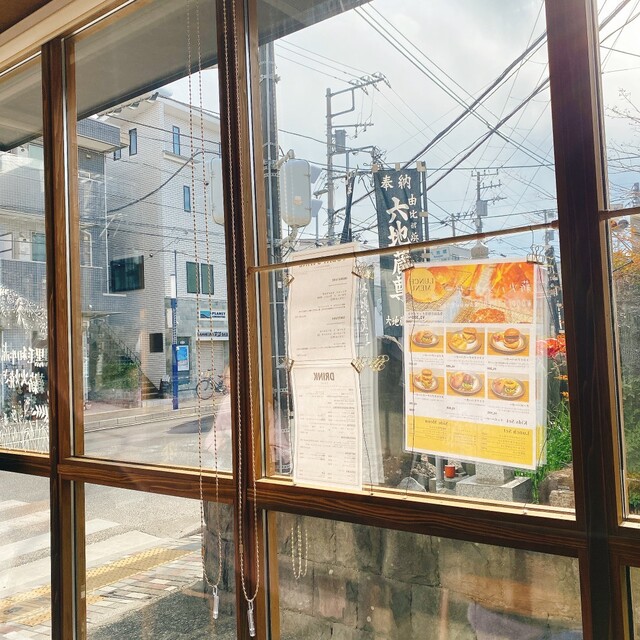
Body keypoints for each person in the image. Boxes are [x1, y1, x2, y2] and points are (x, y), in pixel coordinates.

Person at [204, 366, 232, 472]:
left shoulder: (257, 402)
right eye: (225, 378)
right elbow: (216, 429)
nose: (225, 383)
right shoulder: (226, 401)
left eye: (228, 378)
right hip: (228, 455)